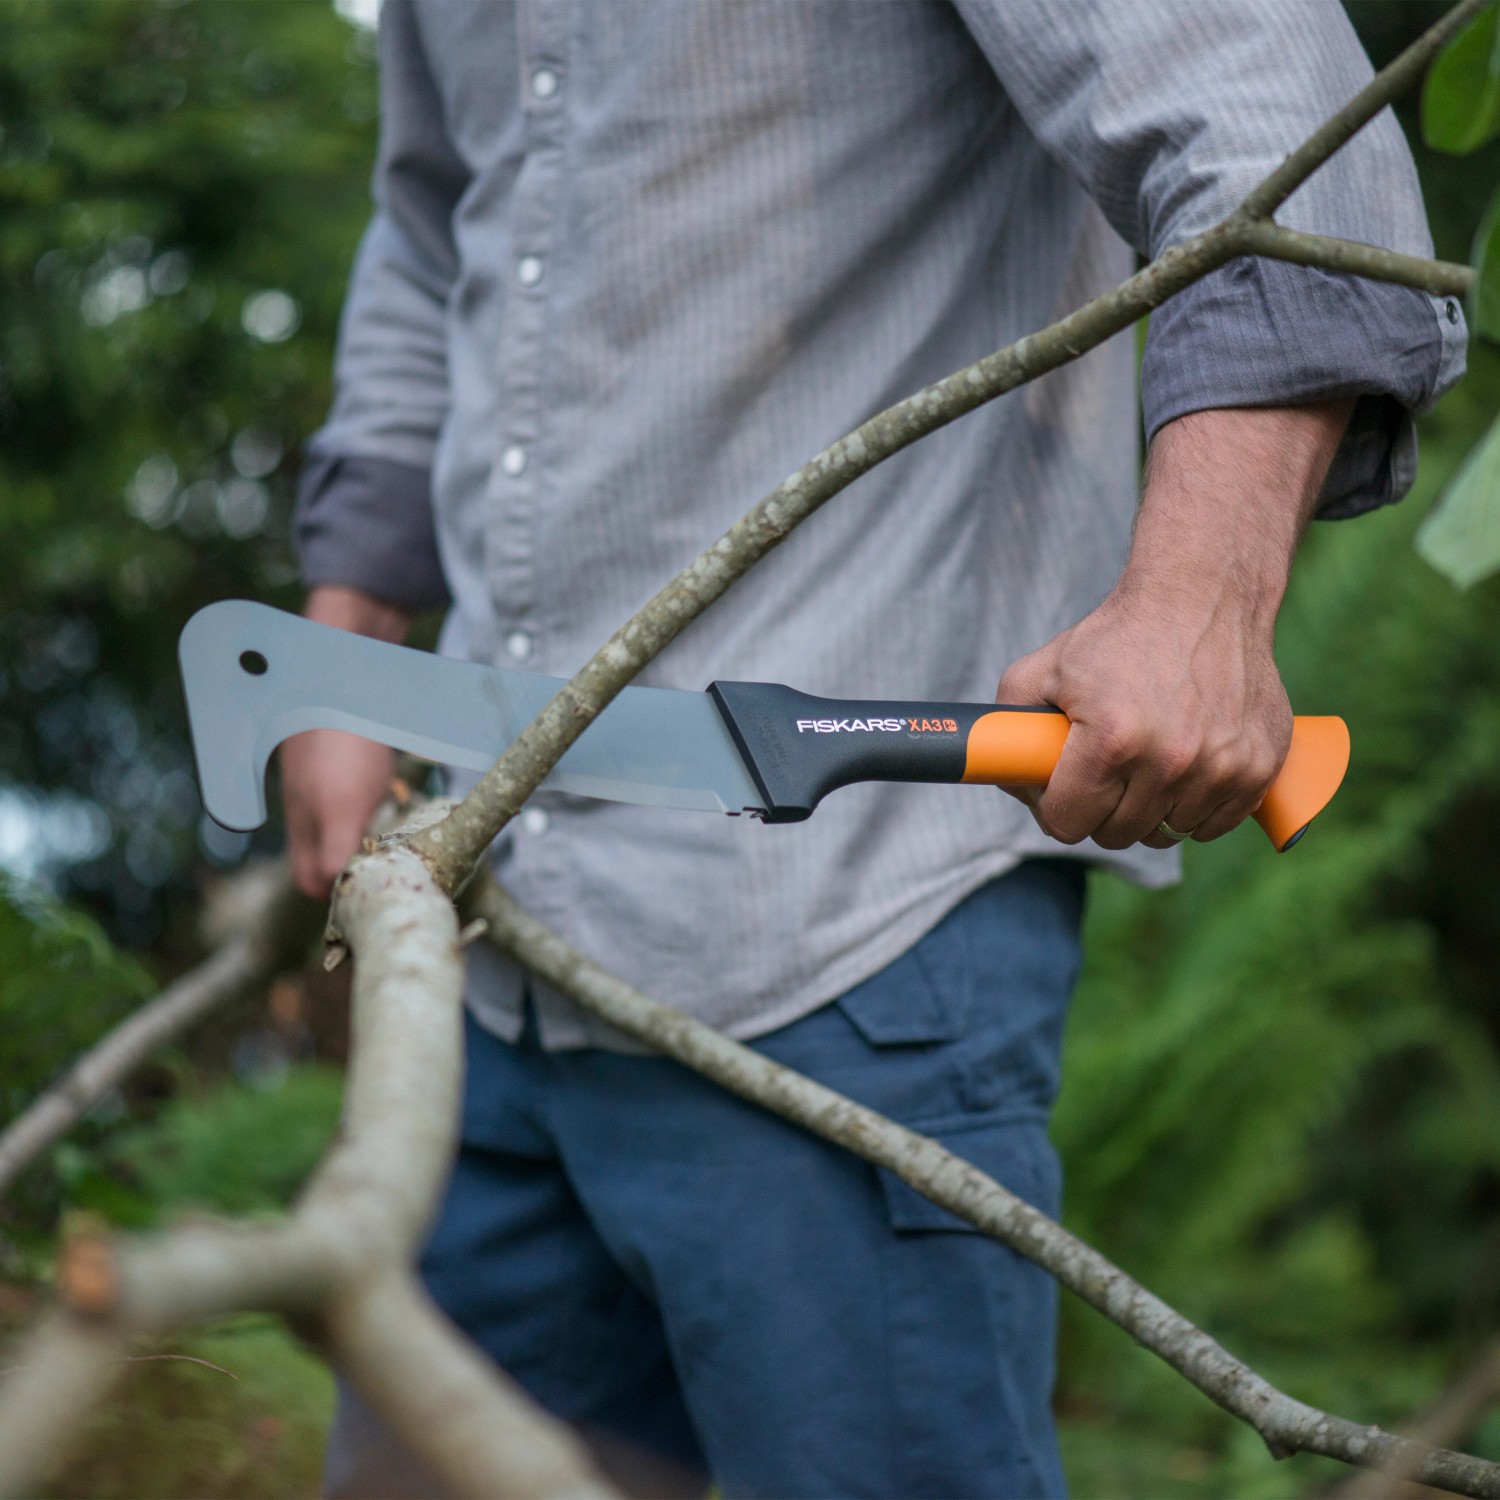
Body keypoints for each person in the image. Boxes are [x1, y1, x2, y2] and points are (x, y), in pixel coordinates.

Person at [285, 3, 1465, 1495]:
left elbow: (1277, 129)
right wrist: (347, 651)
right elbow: (428, 237)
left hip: (851, 957)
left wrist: (1202, 598)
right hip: (489, 961)